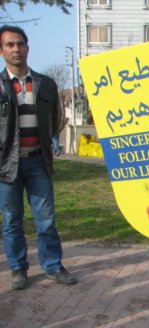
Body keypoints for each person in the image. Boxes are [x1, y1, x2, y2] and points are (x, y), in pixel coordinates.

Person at [0, 25, 77, 290]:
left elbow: (56, 118)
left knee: (46, 220)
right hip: (6, 166)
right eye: (9, 45)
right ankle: (18, 269)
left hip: (38, 161)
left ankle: (53, 265)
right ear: (2, 51)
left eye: (20, 44)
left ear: (27, 48)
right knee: (12, 220)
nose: (16, 49)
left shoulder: (45, 84)